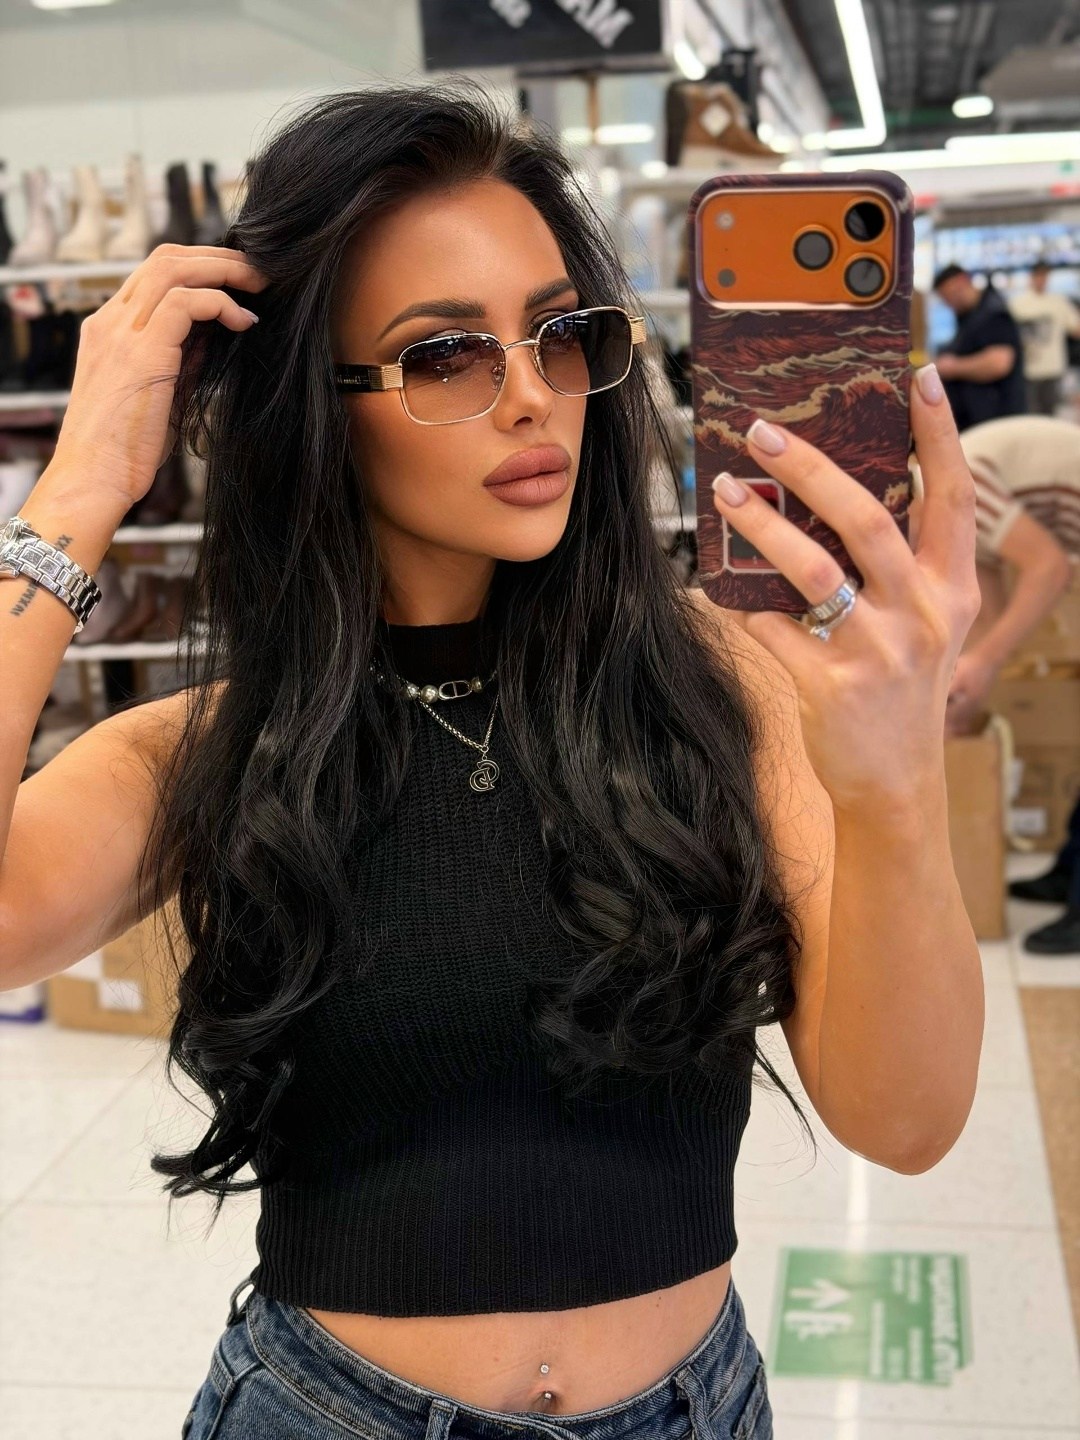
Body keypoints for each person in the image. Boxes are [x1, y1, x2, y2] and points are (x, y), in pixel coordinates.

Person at [0, 83, 984, 1440]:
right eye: (445, 356)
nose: (533, 398)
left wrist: (895, 783)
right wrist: (74, 494)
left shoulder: (726, 683)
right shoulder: (212, 749)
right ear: (317, 404)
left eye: (560, 335)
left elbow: (908, 1122)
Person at [942, 415, 1080, 956]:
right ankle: (1069, 870)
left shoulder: (960, 485)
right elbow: (989, 625)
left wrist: (982, 662)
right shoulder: (959, 519)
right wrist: (963, 697)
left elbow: (1049, 569)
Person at [933, 262, 1026, 430]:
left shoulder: (992, 313)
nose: (948, 303)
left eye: (949, 296)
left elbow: (998, 363)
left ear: (962, 281)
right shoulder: (969, 314)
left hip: (996, 422)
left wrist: (952, 367)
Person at [1008, 261, 1080, 417]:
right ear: (1032, 277)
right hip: (1028, 371)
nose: (1042, 280)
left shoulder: (1058, 302)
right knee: (1031, 415)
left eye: (1045, 276)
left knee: (1051, 416)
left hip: (1053, 369)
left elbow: (1075, 328)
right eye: (1039, 275)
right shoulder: (1017, 304)